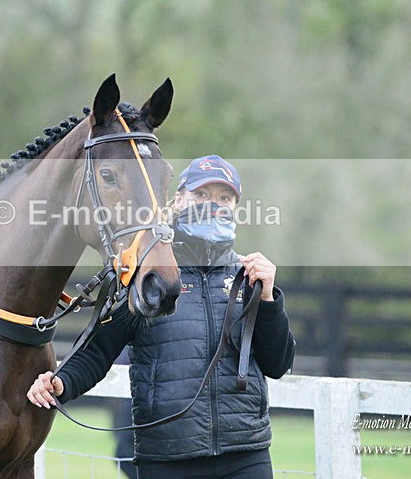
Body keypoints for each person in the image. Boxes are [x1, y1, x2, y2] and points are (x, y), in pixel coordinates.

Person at [27, 155, 295, 478]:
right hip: (166, 456)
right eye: (201, 194)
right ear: (178, 200)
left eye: (224, 198)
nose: (212, 205)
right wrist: (61, 382)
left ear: (236, 207)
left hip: (246, 455)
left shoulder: (249, 277)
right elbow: (97, 350)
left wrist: (268, 299)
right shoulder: (149, 277)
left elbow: (278, 364)